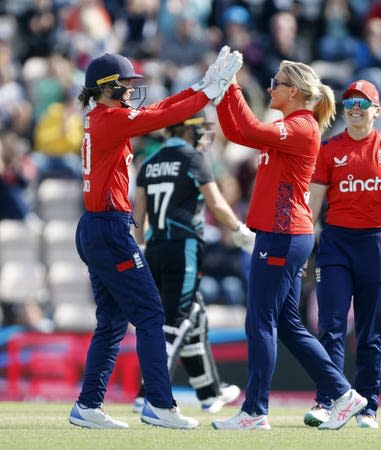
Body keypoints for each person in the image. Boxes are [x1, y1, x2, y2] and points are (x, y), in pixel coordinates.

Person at [68, 48, 242, 429]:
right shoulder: (109, 119)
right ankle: (160, 405)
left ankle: (87, 405)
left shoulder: (101, 117)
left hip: (98, 227)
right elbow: (162, 116)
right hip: (109, 229)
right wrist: (205, 94)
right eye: (125, 85)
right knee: (150, 314)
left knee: (112, 322)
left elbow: (159, 109)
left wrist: (198, 87)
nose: (131, 91)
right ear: (106, 87)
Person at [210, 57, 367, 431]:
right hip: (284, 234)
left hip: (282, 234)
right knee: (288, 324)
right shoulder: (292, 125)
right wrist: (222, 92)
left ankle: (254, 412)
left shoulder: (301, 126)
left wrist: (230, 86)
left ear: (293, 91)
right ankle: (344, 394)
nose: (270, 88)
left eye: (275, 82)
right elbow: (239, 133)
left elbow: (245, 127)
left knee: (260, 322)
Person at [304, 80, 381, 429]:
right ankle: (328, 400)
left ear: (376, 110)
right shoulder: (329, 148)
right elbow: (313, 202)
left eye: (363, 103)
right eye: (349, 101)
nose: (354, 107)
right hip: (336, 243)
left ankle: (368, 406)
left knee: (369, 332)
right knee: (331, 325)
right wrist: (304, 245)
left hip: (376, 244)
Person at [132, 113, 255, 414]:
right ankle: (148, 392)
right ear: (188, 131)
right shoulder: (193, 159)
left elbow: (139, 217)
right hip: (184, 247)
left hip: (155, 249)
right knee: (176, 322)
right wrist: (239, 231)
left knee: (195, 314)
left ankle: (209, 393)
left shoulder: (149, 163)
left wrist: (144, 246)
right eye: (201, 130)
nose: (204, 136)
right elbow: (215, 203)